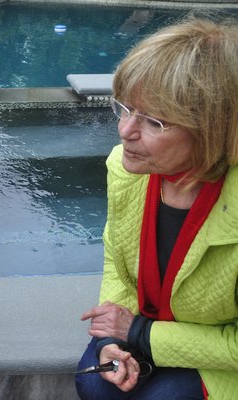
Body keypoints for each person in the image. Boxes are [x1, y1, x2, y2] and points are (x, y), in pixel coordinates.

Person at [75, 17, 238, 400]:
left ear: (212, 128)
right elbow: (117, 259)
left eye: (153, 121)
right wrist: (110, 341)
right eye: (126, 108)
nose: (125, 131)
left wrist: (137, 333)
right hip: (143, 326)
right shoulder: (126, 169)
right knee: (95, 384)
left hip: (217, 358)